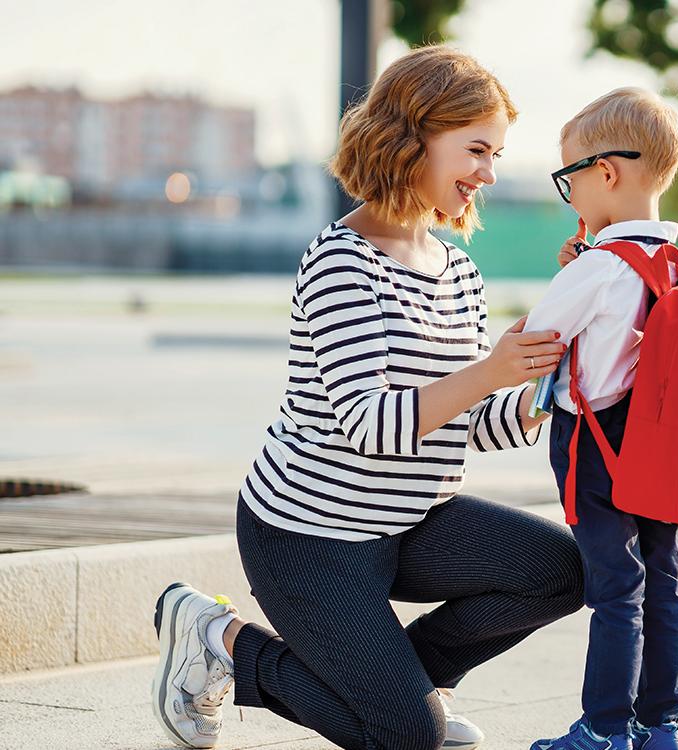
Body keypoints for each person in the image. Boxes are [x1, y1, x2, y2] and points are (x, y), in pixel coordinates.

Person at [149, 45, 584, 750]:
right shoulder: (340, 261)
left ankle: (409, 689)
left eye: (495, 154)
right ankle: (218, 639)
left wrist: (542, 389)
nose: (488, 173)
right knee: (407, 739)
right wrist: (489, 371)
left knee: (564, 570)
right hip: (308, 536)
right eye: (476, 149)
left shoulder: (459, 273)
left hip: (410, 521)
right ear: (414, 135)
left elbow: (468, 424)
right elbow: (369, 426)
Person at [524, 87, 678, 750]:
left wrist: (570, 281)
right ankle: (660, 726)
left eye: (571, 180)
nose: (571, 197)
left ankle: (603, 729)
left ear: (607, 174)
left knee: (616, 587)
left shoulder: (596, 269)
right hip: (658, 444)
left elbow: (537, 340)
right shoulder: (674, 264)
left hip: (595, 445)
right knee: (662, 582)